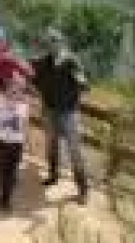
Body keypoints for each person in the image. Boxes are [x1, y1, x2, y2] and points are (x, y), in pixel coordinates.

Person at [33, 29, 91, 204]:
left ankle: (82, 188)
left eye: (55, 41)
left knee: (75, 150)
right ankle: (53, 175)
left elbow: (81, 79)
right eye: (50, 41)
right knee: (51, 144)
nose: (53, 44)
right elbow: (34, 79)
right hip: (50, 110)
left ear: (62, 41)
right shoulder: (44, 62)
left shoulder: (71, 61)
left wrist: (81, 82)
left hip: (69, 112)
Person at [0, 74, 32, 214]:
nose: (16, 90)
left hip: (17, 145)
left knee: (11, 175)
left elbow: (25, 126)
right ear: (8, 88)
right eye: (13, 87)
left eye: (20, 88)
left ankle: (5, 201)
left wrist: (26, 144)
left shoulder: (25, 106)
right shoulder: (1, 101)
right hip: (2, 144)